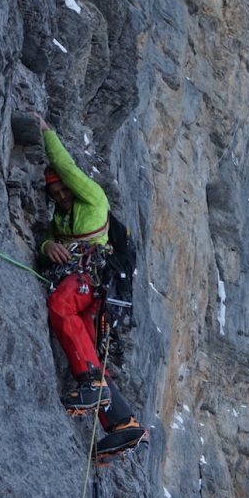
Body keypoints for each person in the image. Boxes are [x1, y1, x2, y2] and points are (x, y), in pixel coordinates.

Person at [31, 112, 146, 457]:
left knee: (59, 306)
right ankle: (123, 424)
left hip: (90, 282)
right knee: (86, 354)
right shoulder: (61, 218)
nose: (62, 195)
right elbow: (49, 238)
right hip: (91, 290)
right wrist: (46, 246)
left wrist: (46, 133)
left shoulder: (94, 200)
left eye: (64, 189)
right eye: (55, 193)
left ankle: (94, 385)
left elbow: (67, 168)